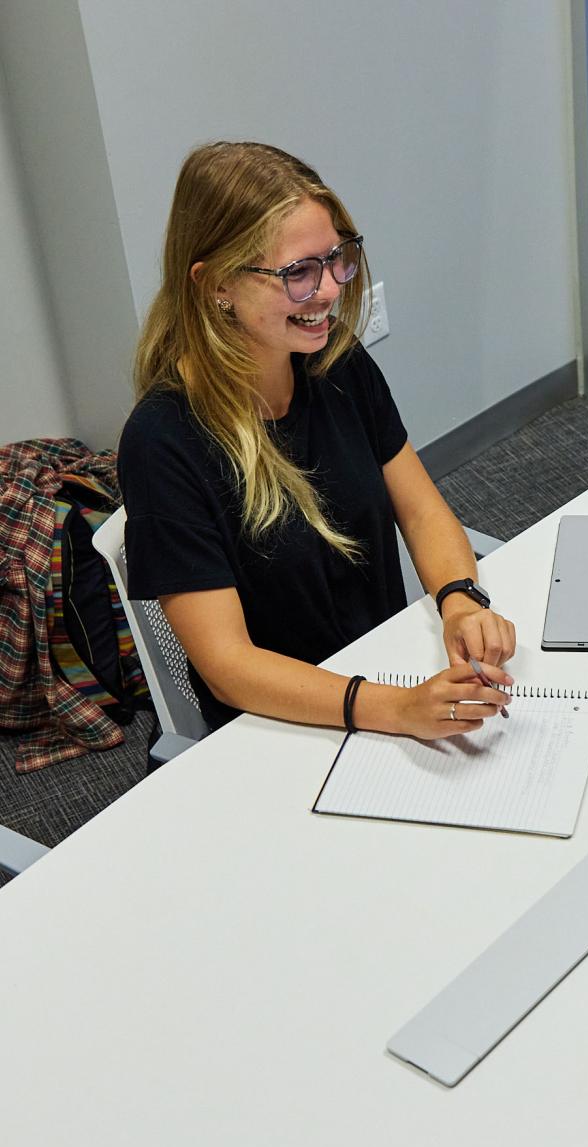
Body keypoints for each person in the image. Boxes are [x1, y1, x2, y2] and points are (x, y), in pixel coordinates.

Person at [119, 142, 515, 737]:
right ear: (215, 284)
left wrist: (460, 598)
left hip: (383, 676)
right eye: (298, 272)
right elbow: (229, 668)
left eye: (336, 259)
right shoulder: (162, 442)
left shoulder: (336, 363)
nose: (330, 290)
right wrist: (396, 710)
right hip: (282, 724)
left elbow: (421, 507)